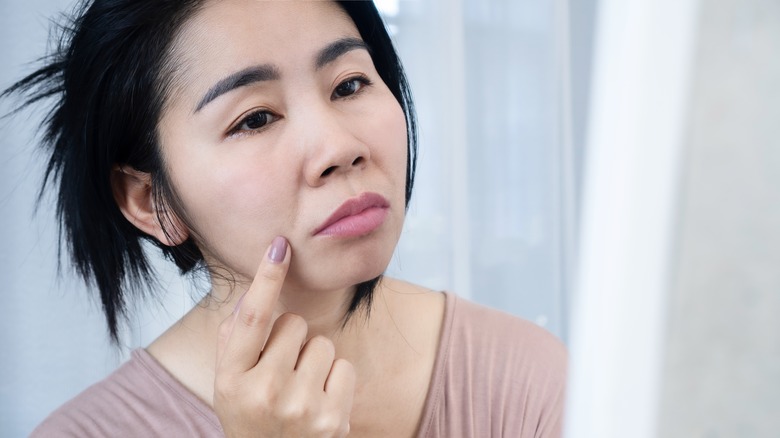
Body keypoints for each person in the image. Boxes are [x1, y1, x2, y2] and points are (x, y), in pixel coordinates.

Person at [5, 0, 567, 436]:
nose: (339, 148)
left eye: (350, 84)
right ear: (152, 202)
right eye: (254, 119)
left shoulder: (527, 378)